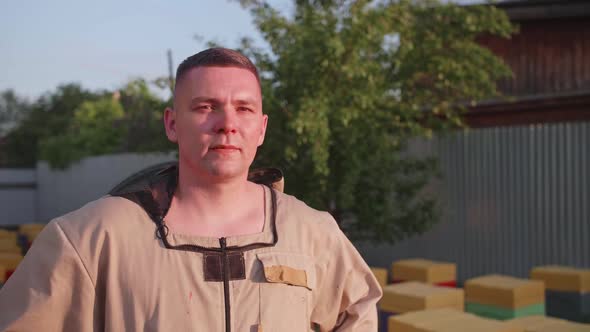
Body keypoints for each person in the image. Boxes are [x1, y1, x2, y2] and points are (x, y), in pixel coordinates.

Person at [0, 48, 382, 331]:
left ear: (261, 128)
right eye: (205, 107)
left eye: (244, 109)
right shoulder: (89, 240)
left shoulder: (314, 233)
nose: (227, 124)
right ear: (171, 123)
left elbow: (358, 317)